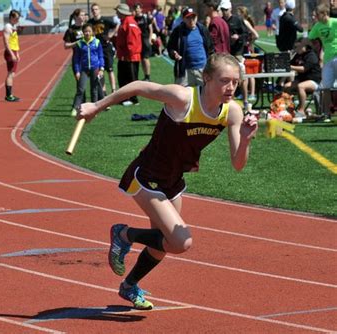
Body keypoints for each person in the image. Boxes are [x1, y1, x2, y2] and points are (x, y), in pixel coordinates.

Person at [76, 53, 258, 310]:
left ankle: (129, 286)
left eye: (235, 82)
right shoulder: (183, 98)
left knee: (163, 245)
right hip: (146, 175)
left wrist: (247, 139)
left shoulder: (232, 112)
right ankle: (123, 234)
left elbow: (238, 165)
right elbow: (139, 85)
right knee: (182, 242)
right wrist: (97, 105)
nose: (230, 87)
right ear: (206, 78)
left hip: (173, 181)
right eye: (224, 80)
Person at [167, 7, 214, 86]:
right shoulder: (178, 31)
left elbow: (210, 48)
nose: (191, 20)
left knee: (208, 94)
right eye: (188, 17)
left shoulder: (203, 29)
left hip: (202, 69)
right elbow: (170, 47)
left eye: (193, 17)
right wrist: (174, 54)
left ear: (196, 17)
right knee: (179, 95)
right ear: (183, 19)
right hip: (185, 71)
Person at [308, 3, 337, 119]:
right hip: (327, 59)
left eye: (318, 14)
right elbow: (309, 38)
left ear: (325, 14)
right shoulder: (317, 26)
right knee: (326, 87)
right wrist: (300, 45)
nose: (315, 16)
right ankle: (326, 114)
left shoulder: (335, 22)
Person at [284, 37, 322, 117]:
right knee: (287, 86)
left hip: (314, 81)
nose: (296, 49)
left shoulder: (311, 55)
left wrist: (290, 67)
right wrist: (288, 58)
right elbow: (289, 63)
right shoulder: (298, 55)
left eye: (298, 47)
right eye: (295, 47)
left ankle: (301, 111)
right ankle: (290, 108)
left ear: (305, 46)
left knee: (300, 86)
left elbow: (303, 69)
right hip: (302, 79)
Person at [72, 23, 105, 112]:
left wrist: (101, 68)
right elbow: (76, 59)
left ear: (92, 32)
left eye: (89, 31)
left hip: (95, 68)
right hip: (84, 69)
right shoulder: (79, 44)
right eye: (85, 31)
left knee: (94, 90)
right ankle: (75, 108)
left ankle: (94, 109)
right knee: (81, 89)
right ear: (83, 32)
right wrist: (77, 71)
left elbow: (101, 56)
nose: (87, 33)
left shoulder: (97, 42)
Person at [115, 3, 142, 106]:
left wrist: (128, 55)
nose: (116, 13)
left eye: (117, 11)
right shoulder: (125, 22)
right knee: (123, 77)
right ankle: (125, 98)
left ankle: (133, 99)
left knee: (131, 78)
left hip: (130, 57)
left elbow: (132, 42)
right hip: (125, 56)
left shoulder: (129, 23)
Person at [88, 3, 118, 95]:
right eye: (93, 10)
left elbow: (117, 25)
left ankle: (113, 90)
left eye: (96, 9)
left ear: (99, 10)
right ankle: (103, 91)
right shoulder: (90, 22)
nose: (94, 11)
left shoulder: (105, 20)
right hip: (96, 49)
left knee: (110, 69)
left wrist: (111, 35)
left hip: (106, 48)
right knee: (100, 70)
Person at [64, 8, 87, 115]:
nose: (84, 16)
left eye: (84, 15)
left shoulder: (88, 27)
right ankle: (77, 106)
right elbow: (66, 46)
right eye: (82, 15)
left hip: (90, 59)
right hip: (77, 60)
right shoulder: (70, 30)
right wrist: (77, 42)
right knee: (80, 84)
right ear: (76, 17)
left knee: (93, 83)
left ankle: (87, 105)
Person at [3, 10, 21, 102]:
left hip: (14, 51)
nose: (18, 20)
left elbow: (15, 41)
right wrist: (12, 54)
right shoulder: (7, 27)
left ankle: (9, 94)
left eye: (18, 18)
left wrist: (17, 53)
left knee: (12, 73)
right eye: (16, 18)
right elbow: (6, 42)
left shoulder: (14, 26)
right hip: (10, 52)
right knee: (10, 73)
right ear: (11, 17)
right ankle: (9, 95)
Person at [133, 3, 153, 81]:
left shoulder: (145, 18)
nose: (137, 10)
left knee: (145, 58)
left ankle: (148, 76)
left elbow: (150, 29)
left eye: (138, 8)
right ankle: (145, 76)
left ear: (141, 9)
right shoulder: (133, 19)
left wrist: (150, 39)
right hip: (137, 41)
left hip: (145, 40)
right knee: (140, 59)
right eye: (136, 8)